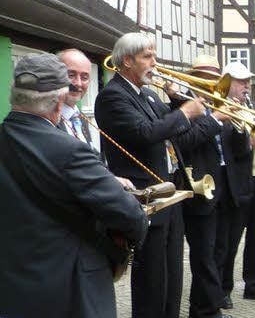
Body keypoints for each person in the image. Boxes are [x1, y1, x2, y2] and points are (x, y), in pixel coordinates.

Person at [0, 53, 148, 318]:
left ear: (14, 93)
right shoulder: (71, 151)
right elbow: (131, 217)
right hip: (70, 291)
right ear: (58, 100)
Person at [95, 33, 224, 318]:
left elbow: (169, 121)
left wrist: (179, 100)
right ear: (127, 61)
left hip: (171, 195)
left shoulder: (148, 93)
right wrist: (185, 112)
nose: (155, 63)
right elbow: (146, 134)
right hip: (147, 199)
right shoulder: (113, 95)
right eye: (148, 57)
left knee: (172, 279)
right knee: (152, 282)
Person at [177, 55, 243, 318]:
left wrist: (240, 127)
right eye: (207, 76)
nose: (214, 81)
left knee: (219, 253)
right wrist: (216, 118)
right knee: (204, 256)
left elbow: (235, 150)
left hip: (224, 189)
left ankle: (204, 306)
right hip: (200, 189)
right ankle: (207, 311)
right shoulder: (182, 105)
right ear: (195, 77)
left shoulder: (219, 103)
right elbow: (185, 142)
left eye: (217, 76)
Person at [219, 61, 255, 307]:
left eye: (248, 81)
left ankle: (254, 284)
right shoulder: (222, 109)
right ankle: (224, 288)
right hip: (240, 180)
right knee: (232, 236)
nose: (247, 85)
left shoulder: (251, 106)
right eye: (241, 81)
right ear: (227, 83)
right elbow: (226, 146)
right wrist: (250, 143)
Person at [56, 48, 135, 189]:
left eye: (85, 77)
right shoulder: (46, 119)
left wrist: (110, 178)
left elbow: (89, 161)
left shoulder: (77, 117)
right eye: (71, 75)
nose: (78, 84)